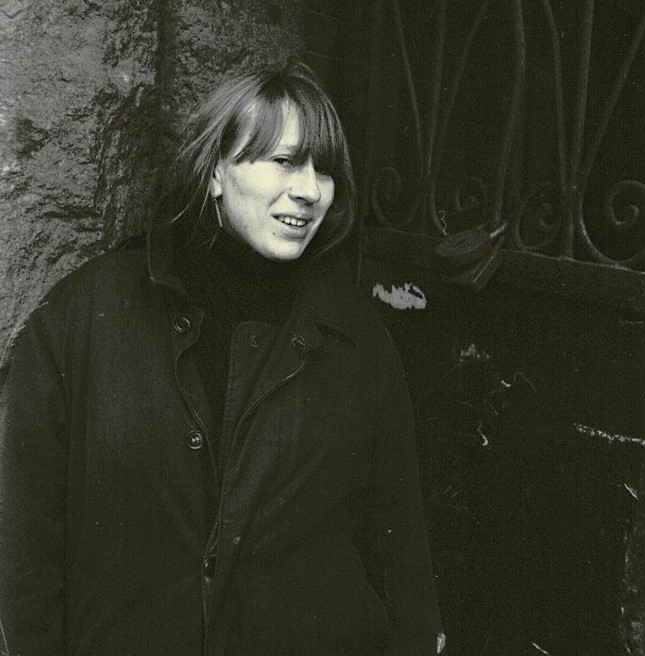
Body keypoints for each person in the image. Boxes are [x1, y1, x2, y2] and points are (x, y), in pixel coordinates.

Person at [0, 62, 444, 656]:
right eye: (284, 161)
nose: (310, 190)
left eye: (325, 170)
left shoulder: (358, 343)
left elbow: (401, 555)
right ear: (214, 172)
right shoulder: (85, 315)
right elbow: (24, 542)